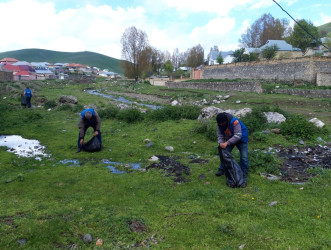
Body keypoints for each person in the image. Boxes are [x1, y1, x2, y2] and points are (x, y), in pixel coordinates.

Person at [215, 112, 248, 186]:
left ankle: (244, 174)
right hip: (230, 138)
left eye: (221, 123)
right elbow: (220, 135)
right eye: (219, 123)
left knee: (244, 157)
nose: (220, 125)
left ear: (225, 121)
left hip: (241, 139)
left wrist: (227, 143)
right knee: (224, 154)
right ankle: (222, 169)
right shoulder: (219, 124)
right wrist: (220, 143)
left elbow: (238, 135)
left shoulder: (235, 122)